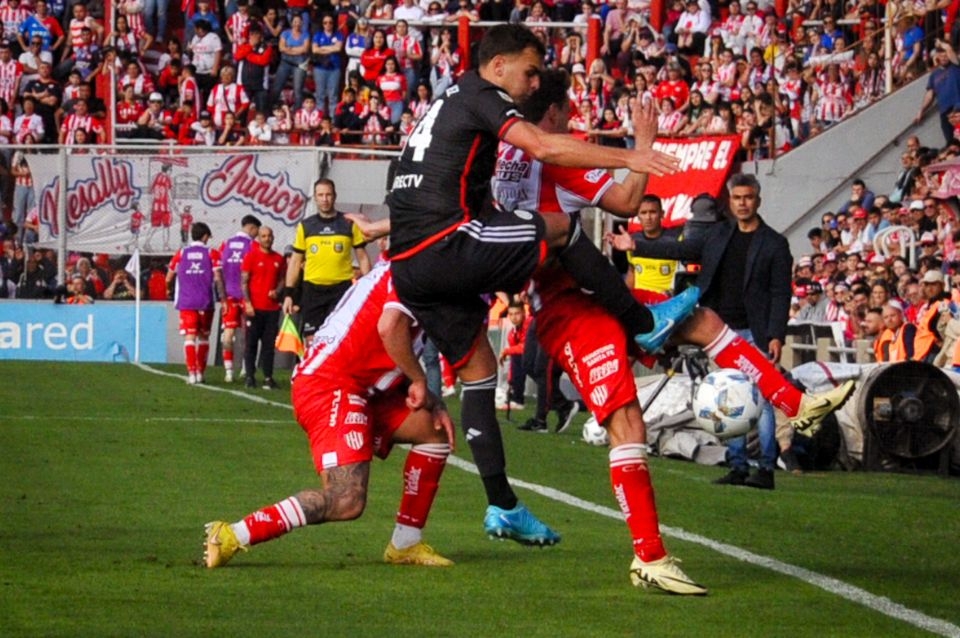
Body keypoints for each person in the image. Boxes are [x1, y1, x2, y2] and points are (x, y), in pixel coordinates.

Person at [381, 24, 690, 546]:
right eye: (528, 72)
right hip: (448, 244)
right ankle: (644, 321)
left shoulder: (447, 99)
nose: (532, 84)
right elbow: (545, 147)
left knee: (480, 373)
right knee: (562, 228)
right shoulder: (485, 96)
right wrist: (631, 155)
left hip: (410, 267)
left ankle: (501, 504)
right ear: (498, 65)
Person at [490, 69, 706, 593]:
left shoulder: (498, 148)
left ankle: (502, 503)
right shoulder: (549, 156)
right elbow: (627, 202)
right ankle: (648, 556)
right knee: (625, 420)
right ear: (553, 113)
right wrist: (641, 149)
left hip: (552, 292)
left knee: (628, 411)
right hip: (564, 304)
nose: (570, 120)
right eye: (566, 111)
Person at [204, 260, 456, 569]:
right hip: (330, 383)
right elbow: (389, 328)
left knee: (433, 430)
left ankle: (405, 543)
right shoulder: (415, 269)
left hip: (364, 386)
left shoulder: (414, 266)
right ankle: (231, 534)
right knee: (346, 499)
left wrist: (434, 401)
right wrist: (420, 380)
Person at [614, 174, 857, 488]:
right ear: (730, 202)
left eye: (748, 197)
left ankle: (766, 468)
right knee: (729, 400)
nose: (743, 203)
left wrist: (776, 335)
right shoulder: (718, 234)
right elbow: (681, 249)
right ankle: (738, 465)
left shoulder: (775, 243)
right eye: (737, 198)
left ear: (758, 200)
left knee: (761, 400)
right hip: (720, 333)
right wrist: (637, 245)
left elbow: (781, 293)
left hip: (755, 331)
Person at [282, 178, 372, 342]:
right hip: (312, 290)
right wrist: (288, 294)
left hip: (341, 289)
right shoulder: (306, 226)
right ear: (315, 197)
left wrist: (368, 288)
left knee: (338, 338)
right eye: (321, 195)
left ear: (335, 196)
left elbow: (363, 257)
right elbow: (295, 262)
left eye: (328, 195)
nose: (325, 199)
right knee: (312, 340)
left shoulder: (348, 223)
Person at [166, 222, 225, 385]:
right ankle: (200, 373)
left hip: (187, 302)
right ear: (205, 236)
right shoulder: (212, 253)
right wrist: (223, 298)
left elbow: (169, 277)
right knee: (204, 337)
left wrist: (168, 290)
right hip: (206, 301)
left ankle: (191, 373)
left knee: (189, 338)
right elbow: (218, 278)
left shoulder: (181, 253)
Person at [241, 225, 285, 389]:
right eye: (264, 236)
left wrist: (277, 291)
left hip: (272, 309)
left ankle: (268, 377)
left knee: (269, 345)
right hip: (255, 309)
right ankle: (250, 376)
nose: (267, 239)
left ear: (273, 237)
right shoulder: (251, 256)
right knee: (251, 344)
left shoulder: (279, 259)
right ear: (259, 238)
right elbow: (244, 282)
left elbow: (283, 279)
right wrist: (248, 303)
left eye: (269, 236)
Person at [219, 214, 261, 383]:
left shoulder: (225, 244)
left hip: (229, 295)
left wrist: (222, 295)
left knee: (228, 334)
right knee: (248, 334)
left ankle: (228, 372)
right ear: (252, 228)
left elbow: (218, 271)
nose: (257, 235)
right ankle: (245, 368)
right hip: (247, 296)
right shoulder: (253, 246)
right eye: (257, 231)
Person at [915, 38, 960, 143]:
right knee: (951, 143)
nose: (943, 57)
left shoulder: (956, 65)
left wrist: (940, 43)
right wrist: (921, 110)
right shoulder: (934, 74)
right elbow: (930, 95)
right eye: (941, 55)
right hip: (944, 112)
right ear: (937, 56)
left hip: (957, 108)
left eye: (945, 55)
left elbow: (949, 49)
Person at [497, 299, 529, 411]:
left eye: (517, 313)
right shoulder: (512, 333)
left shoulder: (529, 324)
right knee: (516, 358)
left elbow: (525, 347)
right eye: (511, 314)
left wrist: (506, 351)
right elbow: (514, 360)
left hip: (547, 355)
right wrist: (511, 382)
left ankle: (517, 399)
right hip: (534, 359)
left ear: (523, 312)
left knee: (518, 357)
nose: (514, 317)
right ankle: (514, 396)